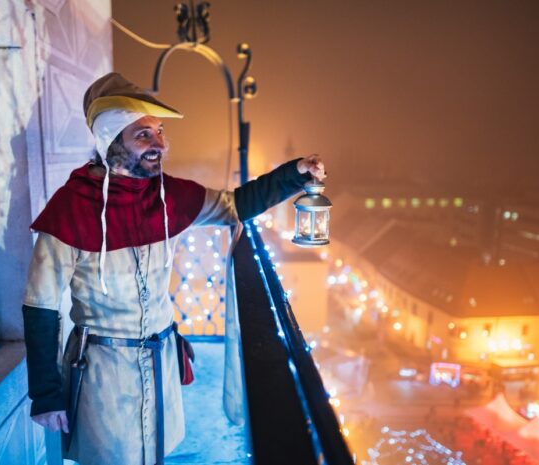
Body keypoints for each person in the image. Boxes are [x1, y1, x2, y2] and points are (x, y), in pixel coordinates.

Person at [22, 72, 326, 465]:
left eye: (160, 132)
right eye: (143, 135)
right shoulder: (72, 207)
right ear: (110, 140)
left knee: (157, 453)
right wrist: (46, 394)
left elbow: (235, 205)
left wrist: (294, 174)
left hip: (161, 357)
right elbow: (40, 304)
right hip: (103, 370)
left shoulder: (171, 196)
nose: (160, 144)